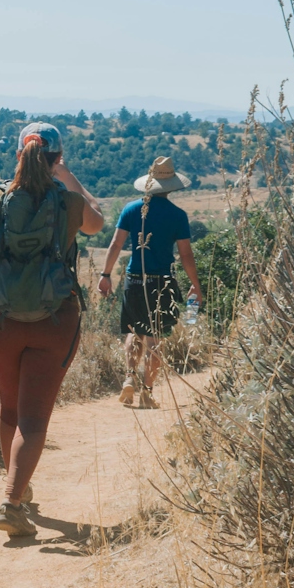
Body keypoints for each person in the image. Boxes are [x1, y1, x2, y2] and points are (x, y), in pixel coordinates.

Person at [0, 123, 105, 538]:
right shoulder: (68, 201)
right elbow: (97, 223)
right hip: (54, 320)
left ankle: (17, 486)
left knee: (10, 410)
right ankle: (13, 500)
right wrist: (66, 175)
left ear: (19, 155)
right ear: (56, 159)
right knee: (34, 419)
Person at [96, 156, 203, 409]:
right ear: (172, 186)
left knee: (135, 332)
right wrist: (195, 286)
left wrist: (105, 274)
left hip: (134, 280)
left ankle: (128, 378)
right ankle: (147, 391)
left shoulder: (131, 209)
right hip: (163, 282)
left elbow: (115, 244)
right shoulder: (178, 215)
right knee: (155, 339)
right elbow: (186, 255)